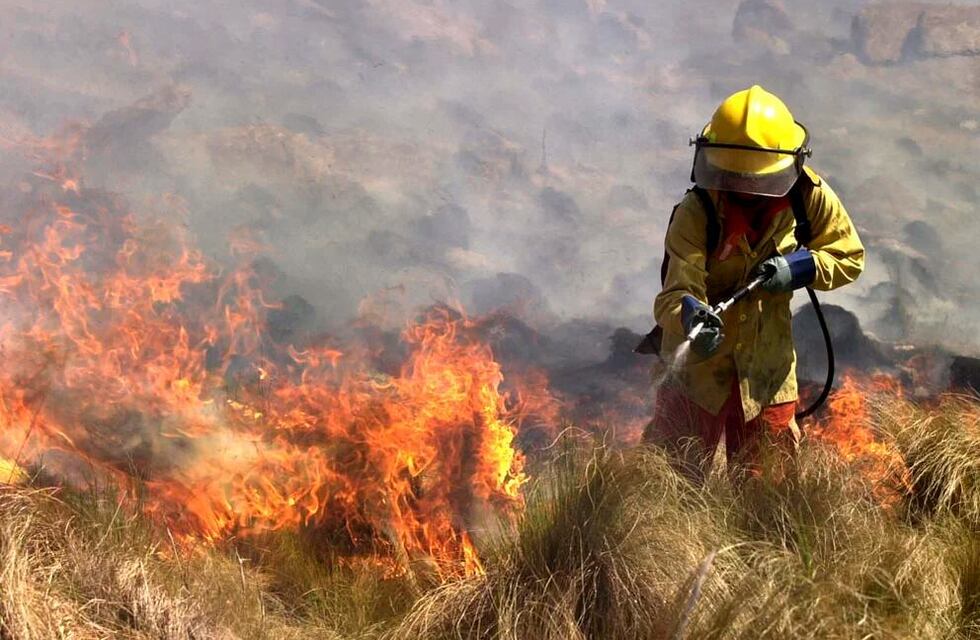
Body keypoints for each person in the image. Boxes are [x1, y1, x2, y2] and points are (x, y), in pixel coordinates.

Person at [642, 85, 865, 481]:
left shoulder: (808, 196)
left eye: (754, 181)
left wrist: (801, 268)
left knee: (768, 491)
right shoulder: (697, 212)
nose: (744, 190)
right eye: (733, 178)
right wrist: (692, 315)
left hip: (767, 372)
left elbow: (848, 256)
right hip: (697, 374)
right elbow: (673, 295)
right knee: (671, 484)